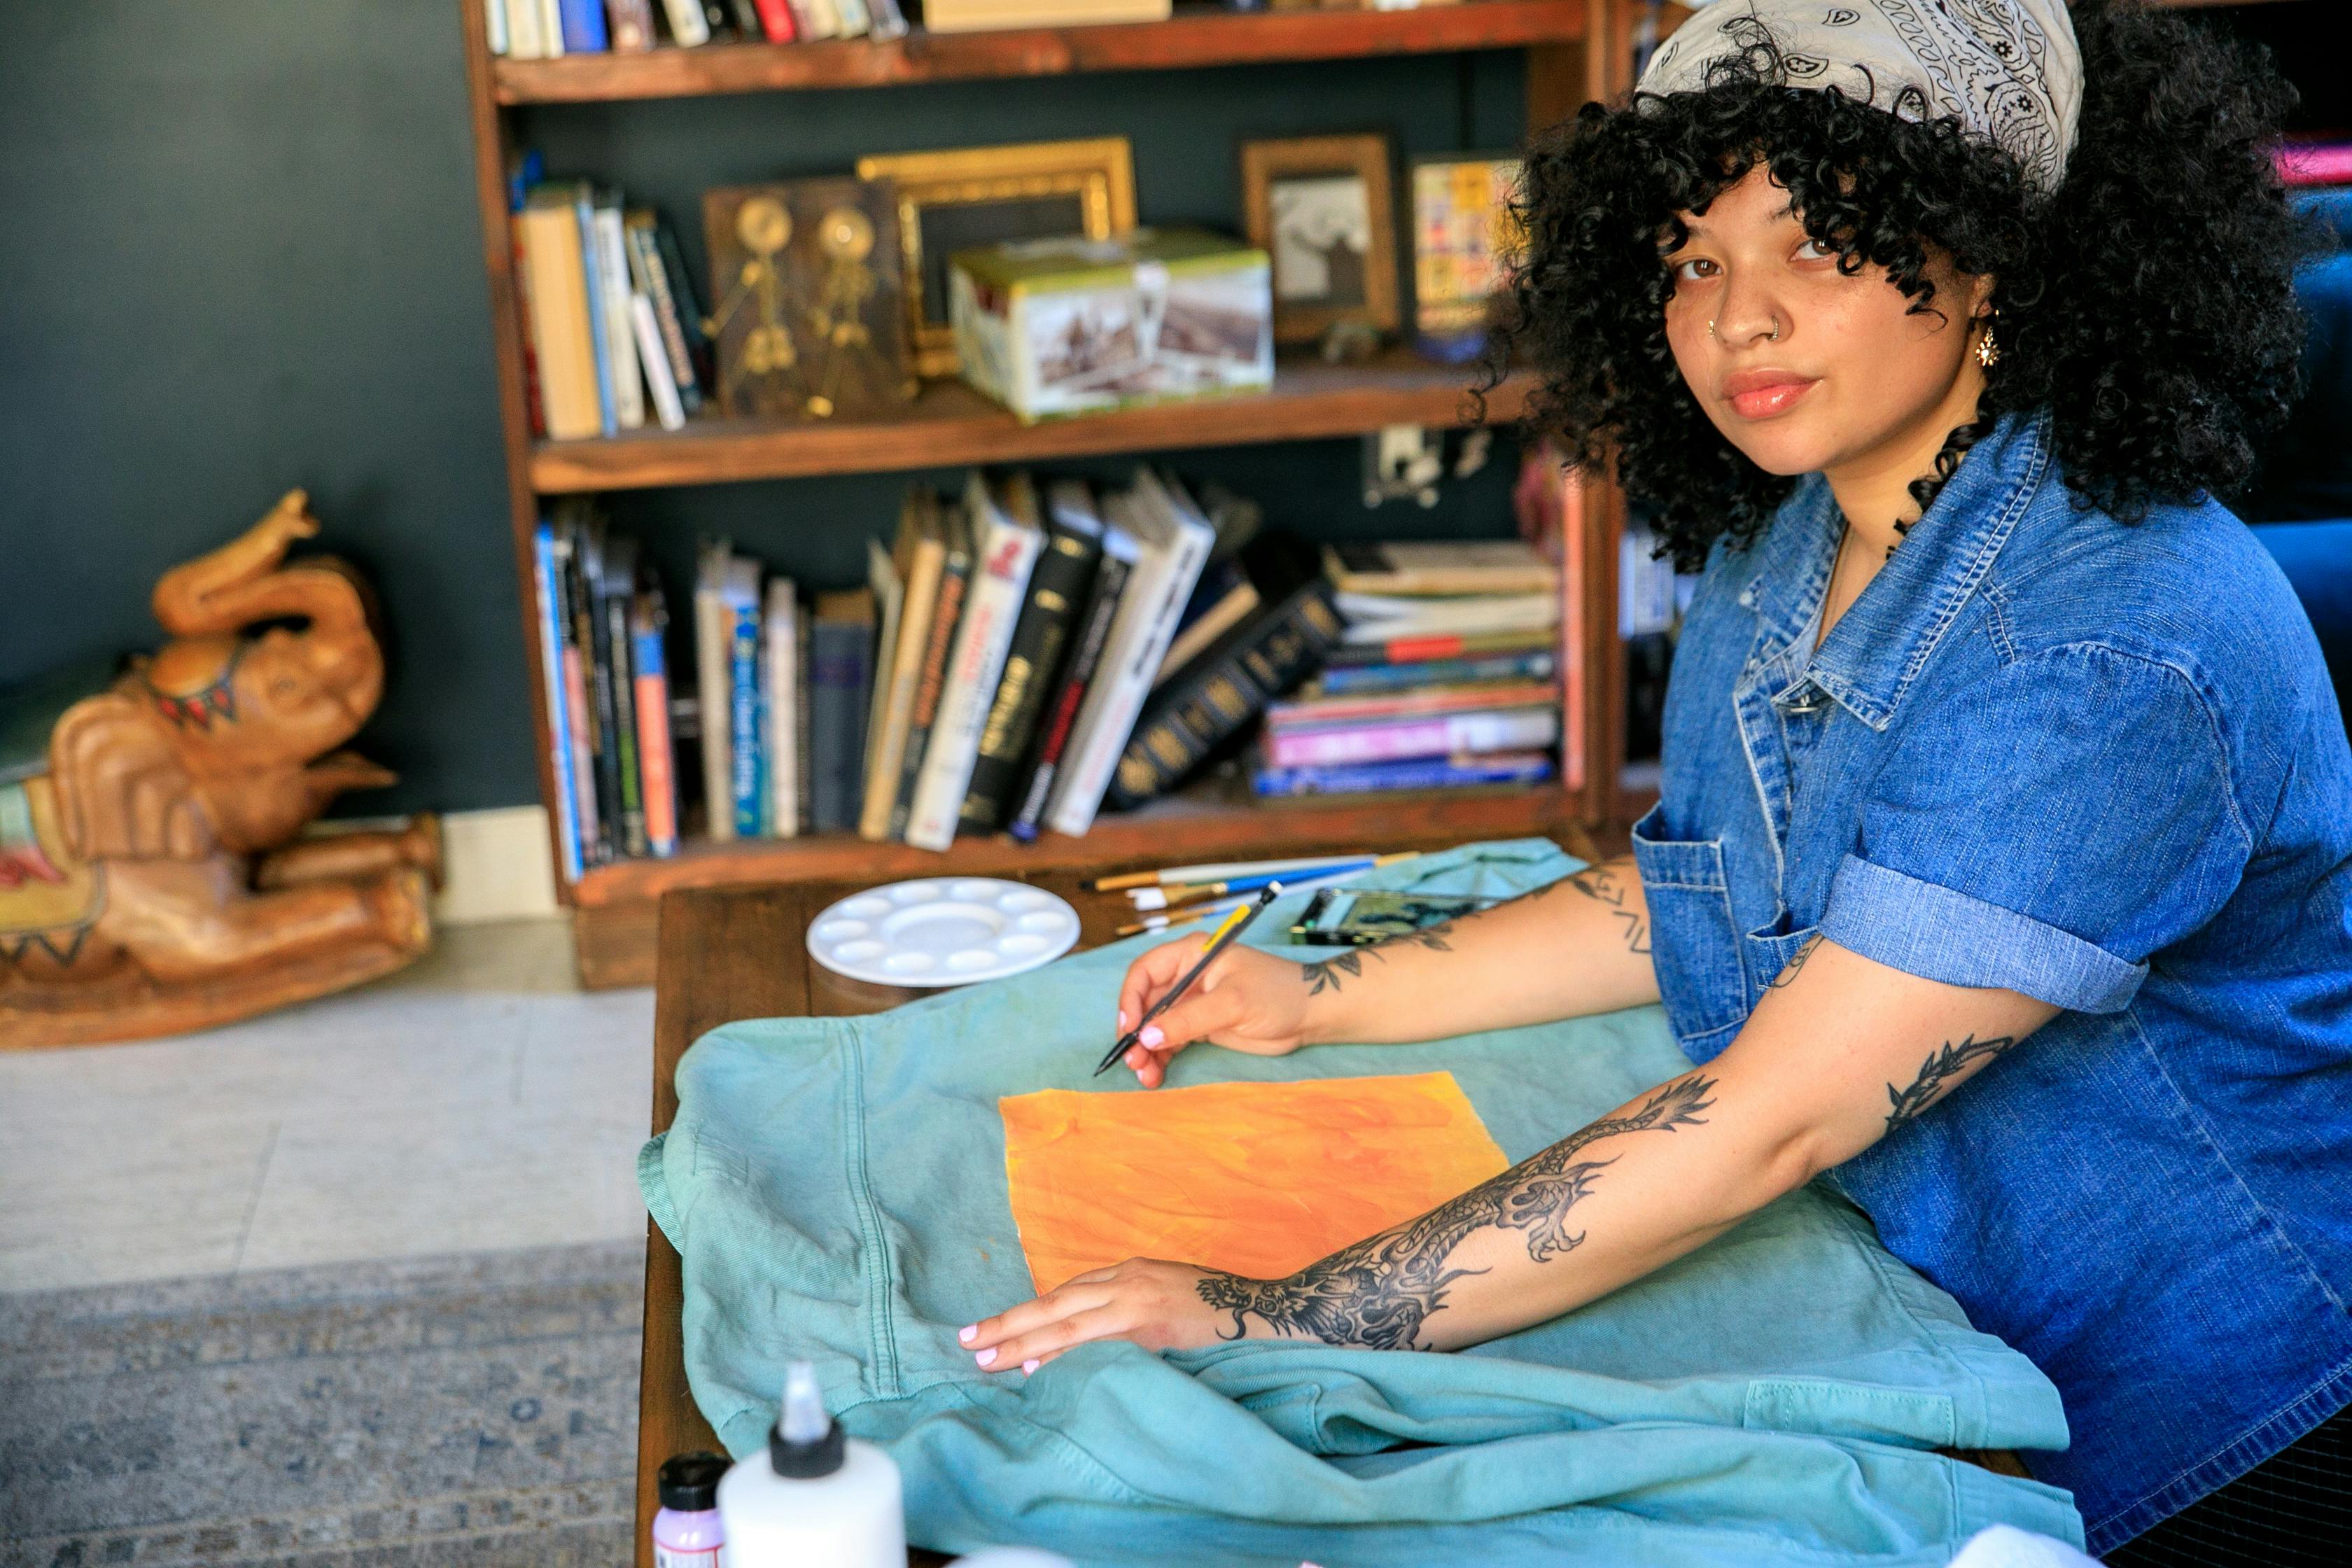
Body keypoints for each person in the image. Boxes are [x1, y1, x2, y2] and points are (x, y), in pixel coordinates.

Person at [960, 1, 2351, 1558]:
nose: (1735, 321)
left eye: (1815, 245)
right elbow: (1704, 883)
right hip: (1916, 1310)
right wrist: (1318, 997)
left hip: (2206, 1419)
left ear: (1993, 264)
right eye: (1695, 261)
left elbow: (1773, 1121)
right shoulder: (1795, 532)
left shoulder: (2111, 652)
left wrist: (1267, 1315)